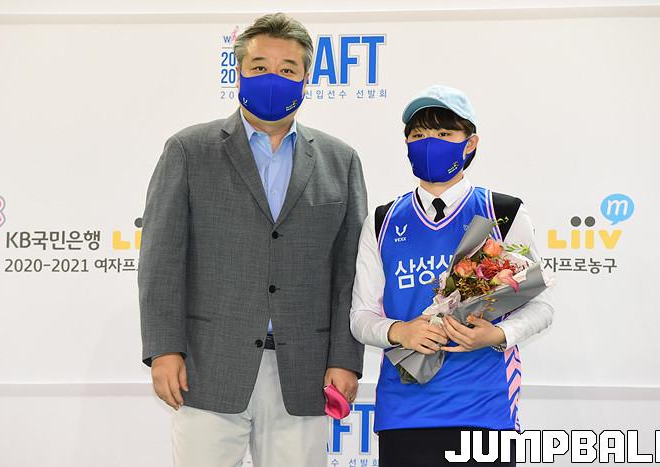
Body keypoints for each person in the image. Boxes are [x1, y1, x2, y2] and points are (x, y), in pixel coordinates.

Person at [138, 13, 367, 467]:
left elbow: (349, 274)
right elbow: (161, 260)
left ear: (306, 79)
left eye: (287, 69)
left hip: (304, 372)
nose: (273, 78)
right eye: (260, 67)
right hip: (207, 368)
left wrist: (345, 359)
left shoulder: (340, 160)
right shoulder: (189, 150)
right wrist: (164, 350)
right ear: (239, 72)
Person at [350, 85, 554, 466]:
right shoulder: (382, 221)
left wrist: (497, 335)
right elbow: (360, 316)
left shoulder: (502, 212)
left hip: (485, 408)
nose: (430, 143)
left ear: (470, 143)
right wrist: (399, 332)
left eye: (444, 133)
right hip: (405, 412)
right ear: (406, 144)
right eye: (418, 135)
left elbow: (541, 306)